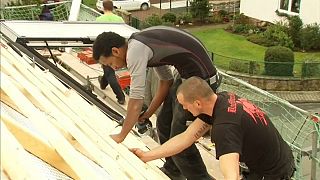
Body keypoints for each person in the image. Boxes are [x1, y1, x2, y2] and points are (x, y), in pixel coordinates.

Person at [92, 26, 221, 179]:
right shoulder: (143, 45)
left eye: (109, 63)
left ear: (115, 51)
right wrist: (147, 114)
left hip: (202, 81)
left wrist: (121, 136)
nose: (112, 68)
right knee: (163, 123)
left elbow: (135, 101)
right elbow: (166, 81)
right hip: (186, 77)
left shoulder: (134, 52)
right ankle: (173, 171)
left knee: (180, 141)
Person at [131, 76, 296, 180]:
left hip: (274, 172)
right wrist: (147, 156)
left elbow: (230, 173)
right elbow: (186, 137)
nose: (185, 110)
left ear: (197, 103)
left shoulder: (224, 128)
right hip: (277, 157)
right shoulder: (221, 100)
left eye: (184, 105)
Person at [96, 0, 126, 105]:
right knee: (107, 71)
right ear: (113, 8)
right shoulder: (119, 19)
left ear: (103, 8)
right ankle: (103, 84)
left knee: (109, 73)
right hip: (118, 48)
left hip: (105, 50)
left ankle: (120, 96)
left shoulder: (99, 19)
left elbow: (97, 37)